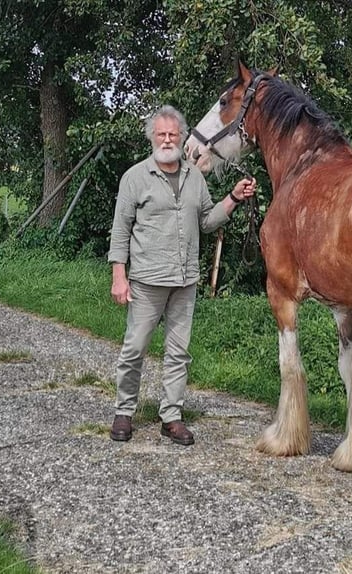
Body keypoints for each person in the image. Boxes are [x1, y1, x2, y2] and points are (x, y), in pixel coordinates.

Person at [107, 104, 256, 445]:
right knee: (135, 348)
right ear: (152, 138)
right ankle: (124, 412)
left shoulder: (194, 177)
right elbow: (120, 229)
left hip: (185, 280)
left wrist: (232, 198)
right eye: (161, 134)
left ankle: (171, 416)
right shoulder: (135, 177)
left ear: (183, 137)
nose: (168, 139)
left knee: (178, 353)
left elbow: (206, 221)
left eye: (173, 134)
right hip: (146, 280)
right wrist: (119, 275)